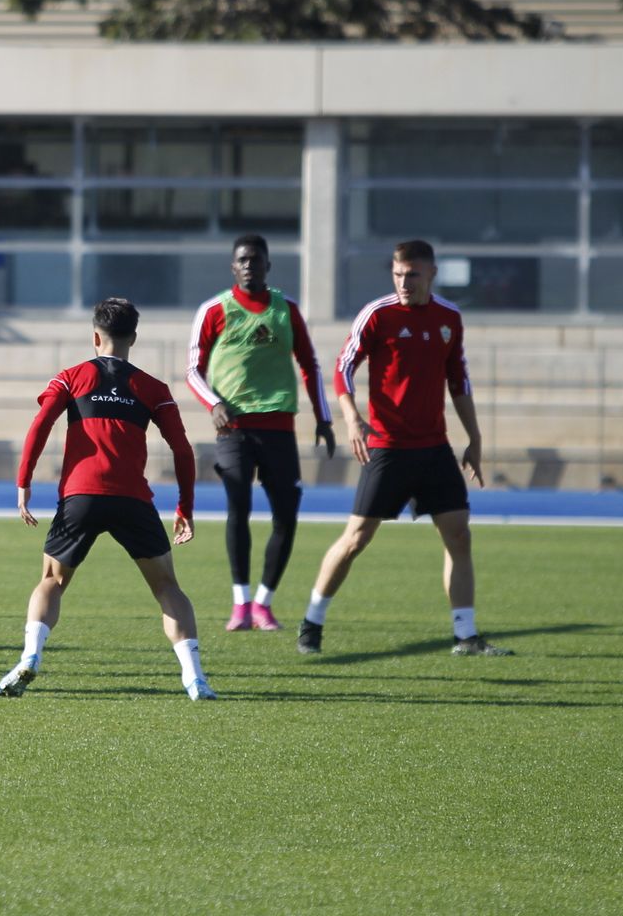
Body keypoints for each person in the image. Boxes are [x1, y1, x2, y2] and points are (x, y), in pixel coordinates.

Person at [296, 240, 511, 657]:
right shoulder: (378, 315)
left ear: (431, 273)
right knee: (356, 538)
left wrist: (475, 439)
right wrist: (353, 418)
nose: (403, 282)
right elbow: (342, 369)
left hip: (434, 448)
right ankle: (313, 621)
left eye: (412, 275)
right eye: (397, 274)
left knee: (459, 536)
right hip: (388, 448)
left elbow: (458, 380)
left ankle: (465, 635)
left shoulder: (449, 318)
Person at [0, 297, 216, 702]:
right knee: (167, 586)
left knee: (52, 580)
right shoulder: (153, 388)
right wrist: (185, 505)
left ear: (95, 336)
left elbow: (40, 425)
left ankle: (30, 657)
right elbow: (183, 451)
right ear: (134, 337)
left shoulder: (71, 377)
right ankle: (195, 678)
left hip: (80, 496)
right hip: (133, 498)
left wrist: (23, 481)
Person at [187, 234, 335, 632]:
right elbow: (192, 370)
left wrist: (323, 417)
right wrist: (213, 404)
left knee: (286, 514)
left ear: (268, 265)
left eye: (256, 259)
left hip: (279, 428)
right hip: (233, 428)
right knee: (240, 506)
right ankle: (240, 602)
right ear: (233, 267)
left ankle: (263, 603)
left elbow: (310, 364)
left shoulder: (287, 310)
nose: (249, 265)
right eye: (242, 260)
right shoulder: (214, 310)